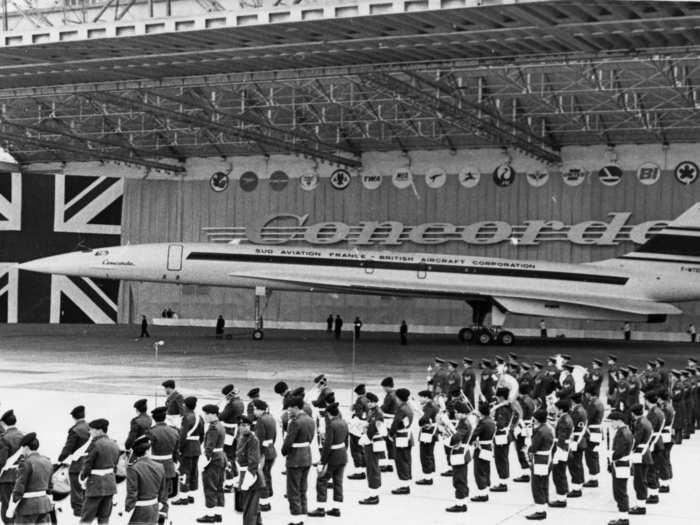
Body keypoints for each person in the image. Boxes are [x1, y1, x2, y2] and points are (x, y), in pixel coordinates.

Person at [308, 401, 348, 517]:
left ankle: (321, 508)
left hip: (333, 456)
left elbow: (327, 445)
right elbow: (346, 441)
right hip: (342, 455)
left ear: (329, 414)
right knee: (338, 482)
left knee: (321, 480)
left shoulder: (331, 425)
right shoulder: (343, 422)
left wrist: (322, 461)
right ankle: (336, 508)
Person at [79, 418, 121, 525]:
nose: (90, 432)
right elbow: (115, 465)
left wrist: (82, 479)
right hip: (110, 485)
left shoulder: (95, 444)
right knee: (104, 518)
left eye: (91, 429)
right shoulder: (114, 444)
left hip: (95, 486)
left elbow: (87, 465)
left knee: (86, 518)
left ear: (99, 430)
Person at [281, 395, 315, 525]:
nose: (288, 410)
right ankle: (303, 515)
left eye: (289, 408)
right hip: (306, 455)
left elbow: (288, 442)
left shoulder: (295, 422)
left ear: (296, 407)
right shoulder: (310, 420)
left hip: (295, 458)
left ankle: (296, 519)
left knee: (293, 490)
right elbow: (310, 438)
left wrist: (284, 451)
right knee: (302, 488)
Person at [7, 433, 53, 525]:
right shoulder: (47, 461)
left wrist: (10, 509)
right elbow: (50, 486)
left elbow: (19, 488)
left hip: (27, 508)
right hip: (44, 505)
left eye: (22, 448)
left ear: (26, 448)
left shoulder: (25, 463)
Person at [124, 435, 168, 525]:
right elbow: (163, 491)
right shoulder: (160, 466)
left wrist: (127, 510)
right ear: (147, 451)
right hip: (154, 507)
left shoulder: (133, 468)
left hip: (139, 510)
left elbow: (132, 492)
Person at [58, 405, 90, 518]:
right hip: (89, 463)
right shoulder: (90, 428)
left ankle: (78, 512)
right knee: (87, 487)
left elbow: (68, 448)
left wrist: (60, 459)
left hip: (77, 464)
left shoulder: (75, 430)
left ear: (74, 417)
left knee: (76, 489)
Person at [172, 396, 203, 507]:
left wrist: (179, 448)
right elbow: (202, 435)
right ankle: (191, 495)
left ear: (185, 405)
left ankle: (183, 497)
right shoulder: (199, 417)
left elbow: (183, 436)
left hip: (187, 448)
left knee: (184, 471)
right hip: (196, 447)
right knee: (194, 471)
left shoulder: (186, 418)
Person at [197, 404, 226, 523]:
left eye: (206, 414)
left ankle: (210, 515)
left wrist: (203, 463)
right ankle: (218, 514)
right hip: (220, 457)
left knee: (210, 487)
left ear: (212, 414)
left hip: (213, 459)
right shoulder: (220, 425)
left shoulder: (213, 428)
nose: (205, 416)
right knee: (219, 487)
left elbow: (209, 448)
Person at [525, 409, 554, 520]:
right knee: (544, 483)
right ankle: (543, 505)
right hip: (546, 459)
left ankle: (540, 510)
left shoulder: (540, 431)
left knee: (537, 485)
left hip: (540, 460)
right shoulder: (547, 428)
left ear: (536, 419)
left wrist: (528, 440)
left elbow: (533, 448)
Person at [236, 416, 264, 525]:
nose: (245, 428)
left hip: (252, 477)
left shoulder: (253, 439)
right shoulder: (241, 437)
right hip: (245, 474)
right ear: (239, 427)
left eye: (247, 425)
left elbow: (253, 462)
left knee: (249, 509)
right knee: (254, 507)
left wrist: (246, 481)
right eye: (242, 425)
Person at [148, 407, 180, 503]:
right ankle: (163, 514)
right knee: (164, 493)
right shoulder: (174, 431)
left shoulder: (151, 432)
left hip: (154, 464)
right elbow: (176, 451)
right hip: (169, 464)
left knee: (153, 493)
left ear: (154, 418)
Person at [446, 401, 473, 513]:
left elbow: (457, 438)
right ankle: (463, 501)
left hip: (460, 452)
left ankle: (460, 504)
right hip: (463, 451)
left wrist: (447, 438)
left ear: (462, 413)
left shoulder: (463, 423)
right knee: (462, 477)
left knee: (459, 479)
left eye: (457, 412)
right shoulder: (465, 421)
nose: (455, 414)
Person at [607, 411, 633, 525]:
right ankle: (622, 517)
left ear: (618, 421)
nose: (611, 424)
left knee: (620, 492)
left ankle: (624, 518)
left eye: (612, 422)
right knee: (619, 491)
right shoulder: (623, 431)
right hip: (620, 465)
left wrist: (610, 455)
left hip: (621, 465)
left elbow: (620, 452)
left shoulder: (622, 433)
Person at [358, 392, 384, 505]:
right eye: (367, 402)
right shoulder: (371, 411)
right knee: (371, 467)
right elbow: (368, 424)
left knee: (372, 468)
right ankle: (374, 491)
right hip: (369, 442)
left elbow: (377, 428)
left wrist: (367, 436)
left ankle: (374, 495)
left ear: (374, 402)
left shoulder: (378, 413)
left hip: (373, 442)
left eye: (369, 402)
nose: (368, 404)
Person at [0, 410, 25, 524]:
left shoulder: (4, 438)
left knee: (7, 505)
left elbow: (1, 461)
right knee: (17, 504)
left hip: (7, 477)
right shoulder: (23, 435)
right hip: (21, 475)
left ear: (4, 424)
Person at [252, 399, 276, 512]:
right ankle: (268, 498)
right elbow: (274, 436)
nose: (254, 411)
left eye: (255, 409)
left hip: (264, 452)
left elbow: (259, 439)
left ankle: (264, 502)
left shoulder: (261, 420)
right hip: (271, 450)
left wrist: (258, 454)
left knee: (262, 477)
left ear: (259, 409)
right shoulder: (270, 417)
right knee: (268, 475)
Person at [629, 403, 652, 515]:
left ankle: (641, 506)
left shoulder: (640, 424)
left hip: (640, 455)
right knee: (641, 479)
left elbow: (635, 440)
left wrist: (627, 449)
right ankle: (640, 504)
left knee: (639, 481)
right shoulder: (645, 420)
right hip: (644, 453)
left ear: (633, 414)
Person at [469, 402, 495, 503]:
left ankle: (482, 493)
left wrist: (475, 421)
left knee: (479, 471)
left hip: (481, 448)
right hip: (488, 446)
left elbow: (474, 434)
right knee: (486, 469)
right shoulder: (491, 420)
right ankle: (485, 490)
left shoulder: (483, 422)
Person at [389, 388, 413, 495]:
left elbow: (395, 423)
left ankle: (404, 485)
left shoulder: (401, 409)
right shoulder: (407, 407)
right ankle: (406, 481)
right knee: (406, 459)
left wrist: (390, 434)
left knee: (401, 460)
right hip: (407, 435)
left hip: (401, 436)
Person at [550, 399, 573, 508]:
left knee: (558, 474)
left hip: (561, 448)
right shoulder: (566, 418)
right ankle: (562, 495)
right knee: (561, 473)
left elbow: (562, 437)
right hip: (564, 448)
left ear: (561, 409)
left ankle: (561, 498)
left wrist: (558, 452)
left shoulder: (564, 420)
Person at [220, 384, 245, 487]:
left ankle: (229, 482)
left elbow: (222, 416)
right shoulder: (240, 402)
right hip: (235, 430)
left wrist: (217, 412)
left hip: (228, 431)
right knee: (232, 456)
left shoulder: (231, 404)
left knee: (227, 456)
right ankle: (235, 479)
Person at [490, 388, 513, 492]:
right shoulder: (508, 406)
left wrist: (491, 419)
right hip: (504, 436)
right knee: (503, 459)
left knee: (501, 459)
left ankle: (503, 483)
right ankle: (504, 480)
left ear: (501, 397)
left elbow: (500, 424)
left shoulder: (502, 409)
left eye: (497, 397)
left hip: (501, 437)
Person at [415, 390, 438, 486]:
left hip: (427, 433)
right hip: (432, 432)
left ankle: (427, 477)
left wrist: (420, 420)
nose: (419, 399)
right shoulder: (433, 404)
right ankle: (430, 473)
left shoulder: (428, 407)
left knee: (425, 454)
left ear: (426, 397)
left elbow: (424, 419)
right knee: (429, 453)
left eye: (421, 397)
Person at [347, 385, 368, 481]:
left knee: (355, 450)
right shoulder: (367, 398)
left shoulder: (359, 400)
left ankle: (359, 472)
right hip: (364, 425)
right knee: (361, 449)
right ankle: (363, 468)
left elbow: (359, 414)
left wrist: (353, 412)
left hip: (357, 426)